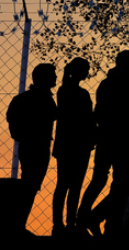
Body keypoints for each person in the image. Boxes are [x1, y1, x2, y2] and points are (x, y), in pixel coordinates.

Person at [81, 47, 129, 237]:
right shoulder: (125, 84)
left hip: (113, 140)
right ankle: (95, 218)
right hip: (123, 142)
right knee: (125, 185)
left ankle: (107, 223)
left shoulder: (114, 83)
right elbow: (123, 117)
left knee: (118, 184)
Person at [6, 62, 57, 236]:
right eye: (53, 74)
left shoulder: (26, 98)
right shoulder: (42, 99)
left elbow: (13, 123)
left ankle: (17, 224)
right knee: (30, 185)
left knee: (29, 184)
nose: (56, 77)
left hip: (31, 145)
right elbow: (54, 114)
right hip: (37, 146)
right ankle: (17, 226)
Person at [52, 58, 94, 236]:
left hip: (66, 144)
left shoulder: (63, 90)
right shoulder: (80, 94)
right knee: (74, 185)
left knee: (63, 184)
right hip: (79, 144)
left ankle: (59, 223)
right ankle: (69, 223)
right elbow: (87, 120)